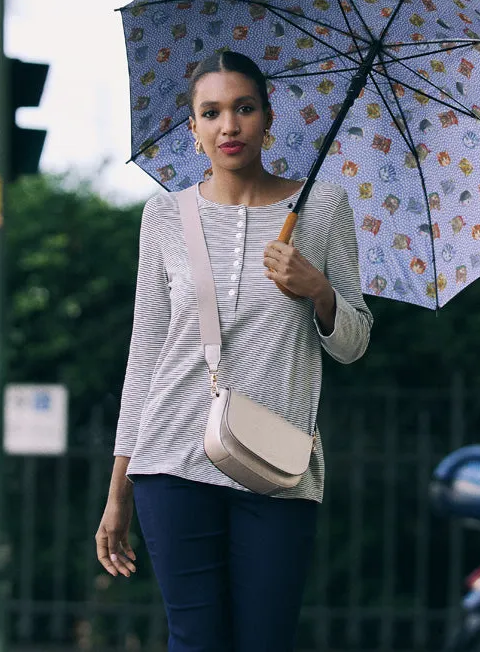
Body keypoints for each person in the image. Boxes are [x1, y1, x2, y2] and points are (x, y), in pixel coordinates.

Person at [95, 50, 373, 651]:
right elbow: (145, 355)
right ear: (192, 130)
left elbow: (353, 345)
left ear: (268, 120)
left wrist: (318, 290)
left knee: (265, 641)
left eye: (244, 108)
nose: (230, 125)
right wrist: (118, 495)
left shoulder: (321, 209)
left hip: (276, 462)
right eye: (212, 112)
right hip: (170, 457)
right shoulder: (166, 215)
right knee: (195, 640)